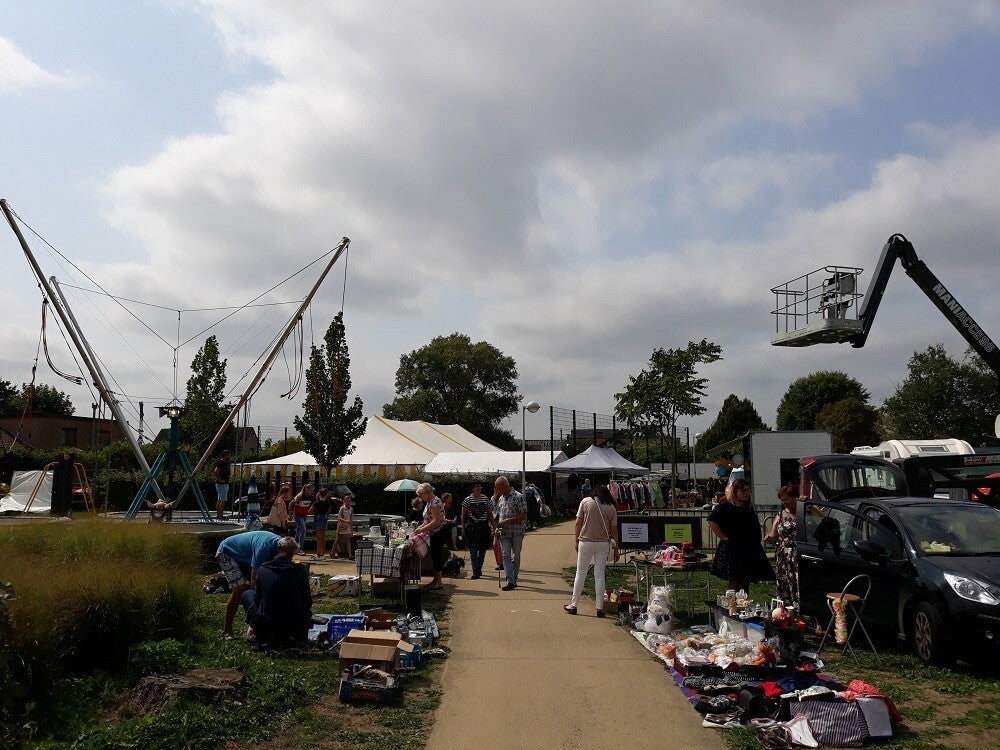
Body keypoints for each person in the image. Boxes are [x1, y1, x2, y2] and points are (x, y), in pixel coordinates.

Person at [238, 536, 312, 648]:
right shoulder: (300, 570)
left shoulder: (262, 569)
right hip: (295, 620)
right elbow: (307, 600)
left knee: (247, 594)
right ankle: (297, 634)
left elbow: (258, 599)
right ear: (293, 553)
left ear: (279, 549)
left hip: (268, 620)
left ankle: (260, 633)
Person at [707, 478, 774, 593]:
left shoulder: (747, 508)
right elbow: (711, 521)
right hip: (734, 549)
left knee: (746, 580)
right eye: (742, 490)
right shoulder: (726, 507)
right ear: (735, 491)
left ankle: (743, 602)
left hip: (750, 548)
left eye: (747, 490)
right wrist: (723, 536)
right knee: (735, 580)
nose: (746, 493)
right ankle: (730, 603)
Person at [215, 529, 282, 638]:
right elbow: (254, 580)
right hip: (227, 552)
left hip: (245, 556)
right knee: (239, 590)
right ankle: (227, 630)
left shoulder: (281, 545)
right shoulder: (263, 548)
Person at [565, 484, 619, 617]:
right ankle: (599, 608)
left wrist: (576, 540)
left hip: (586, 542)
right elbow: (614, 530)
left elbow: (578, 523)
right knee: (599, 575)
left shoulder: (586, 502)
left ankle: (574, 605)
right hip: (603, 544)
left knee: (580, 573)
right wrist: (616, 549)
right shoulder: (611, 507)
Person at [764, 482, 800, 609]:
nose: (785, 502)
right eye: (782, 500)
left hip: (799, 554)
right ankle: (787, 611)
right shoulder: (780, 515)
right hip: (784, 556)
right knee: (785, 584)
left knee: (798, 584)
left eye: (787, 499)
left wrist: (808, 503)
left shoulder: (805, 510)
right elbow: (773, 534)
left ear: (795, 497)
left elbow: (823, 520)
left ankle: (801, 610)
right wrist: (769, 537)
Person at [493, 475, 527, 591]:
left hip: (517, 532)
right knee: (506, 556)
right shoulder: (500, 499)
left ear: (503, 485)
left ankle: (514, 578)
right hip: (504, 534)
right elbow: (498, 516)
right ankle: (510, 581)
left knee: (515, 556)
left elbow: (523, 515)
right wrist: (496, 528)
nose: (496, 489)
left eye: (497, 487)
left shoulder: (518, 496)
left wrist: (508, 521)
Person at [415, 483, 446, 590]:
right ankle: (436, 580)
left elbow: (436, 521)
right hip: (434, 533)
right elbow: (428, 519)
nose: (421, 498)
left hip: (437, 532)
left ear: (427, 492)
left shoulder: (435, 503)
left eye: (421, 495)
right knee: (434, 556)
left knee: (436, 557)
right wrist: (421, 527)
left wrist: (422, 529)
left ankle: (438, 582)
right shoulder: (430, 502)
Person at [461, 480, 494, 579]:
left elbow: (489, 513)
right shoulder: (467, 500)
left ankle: (479, 568)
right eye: (477, 486)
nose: (479, 488)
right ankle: (475, 570)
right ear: (472, 488)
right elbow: (463, 515)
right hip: (472, 526)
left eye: (480, 486)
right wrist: (463, 528)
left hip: (483, 526)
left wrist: (494, 525)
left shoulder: (485, 498)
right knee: (473, 549)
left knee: (482, 549)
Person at [291, 484, 314, 553]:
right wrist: (290, 513)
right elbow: (291, 504)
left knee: (299, 531)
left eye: (312, 490)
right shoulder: (300, 496)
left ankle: (295, 546)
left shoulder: (310, 497)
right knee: (303, 530)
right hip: (298, 515)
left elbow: (311, 505)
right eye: (310, 490)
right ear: (306, 489)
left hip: (304, 515)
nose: (311, 492)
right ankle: (300, 548)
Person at [310, 488, 331, 559]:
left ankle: (318, 555)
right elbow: (328, 511)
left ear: (319, 494)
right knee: (323, 538)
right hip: (324, 518)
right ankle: (323, 554)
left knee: (318, 539)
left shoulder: (316, 503)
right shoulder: (327, 503)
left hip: (318, 518)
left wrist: (314, 512)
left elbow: (310, 511)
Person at [213, 450, 232, 519]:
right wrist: (220, 479)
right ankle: (220, 515)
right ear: (225, 455)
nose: (230, 456)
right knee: (223, 500)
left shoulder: (226, 463)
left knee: (220, 499)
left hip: (224, 483)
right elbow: (216, 471)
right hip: (222, 484)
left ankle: (219, 514)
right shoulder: (221, 463)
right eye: (229, 455)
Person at [335, 494, 354, 559]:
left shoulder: (351, 509)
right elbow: (339, 517)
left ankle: (350, 555)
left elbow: (351, 519)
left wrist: (351, 530)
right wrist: (346, 521)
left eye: (349, 501)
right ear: (344, 501)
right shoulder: (342, 508)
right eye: (346, 501)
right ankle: (333, 552)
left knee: (348, 540)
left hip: (347, 526)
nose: (348, 502)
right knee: (338, 540)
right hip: (342, 526)